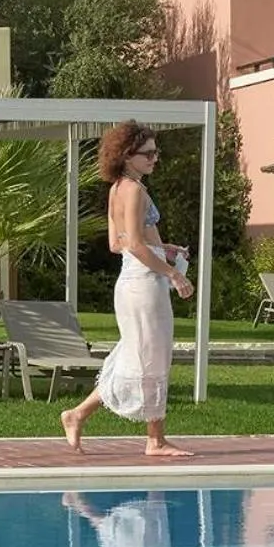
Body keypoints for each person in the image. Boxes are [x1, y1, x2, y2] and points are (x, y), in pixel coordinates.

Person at [61, 122, 194, 456]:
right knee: (152, 357)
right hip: (144, 284)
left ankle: (79, 414)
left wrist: (164, 249)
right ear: (127, 156)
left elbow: (115, 243)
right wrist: (174, 274)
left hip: (131, 281)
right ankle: (155, 440)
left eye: (155, 152)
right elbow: (133, 243)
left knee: (140, 355)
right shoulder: (134, 190)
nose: (154, 159)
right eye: (147, 153)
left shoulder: (118, 188)